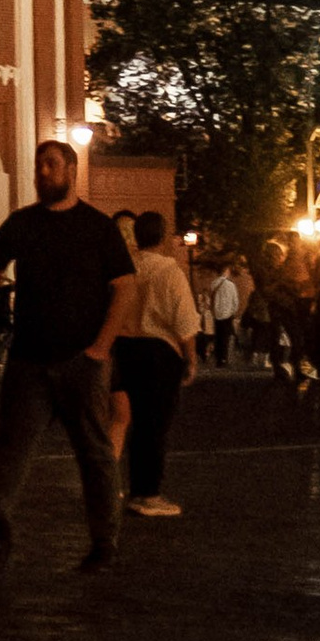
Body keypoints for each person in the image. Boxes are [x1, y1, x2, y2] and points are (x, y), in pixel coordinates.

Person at [0, 138, 136, 572]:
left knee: (94, 453)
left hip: (82, 362)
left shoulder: (97, 227)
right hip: (29, 361)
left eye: (52, 165)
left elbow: (125, 288)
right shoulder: (23, 224)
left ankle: (104, 541)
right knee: (11, 450)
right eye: (39, 166)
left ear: (72, 171)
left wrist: (100, 349)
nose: (43, 173)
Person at [115, 211, 197, 518]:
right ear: (162, 236)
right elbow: (184, 318)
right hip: (158, 352)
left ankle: (133, 488)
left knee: (134, 424)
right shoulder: (168, 270)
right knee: (154, 426)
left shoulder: (126, 266)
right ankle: (148, 493)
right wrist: (191, 358)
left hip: (124, 349)